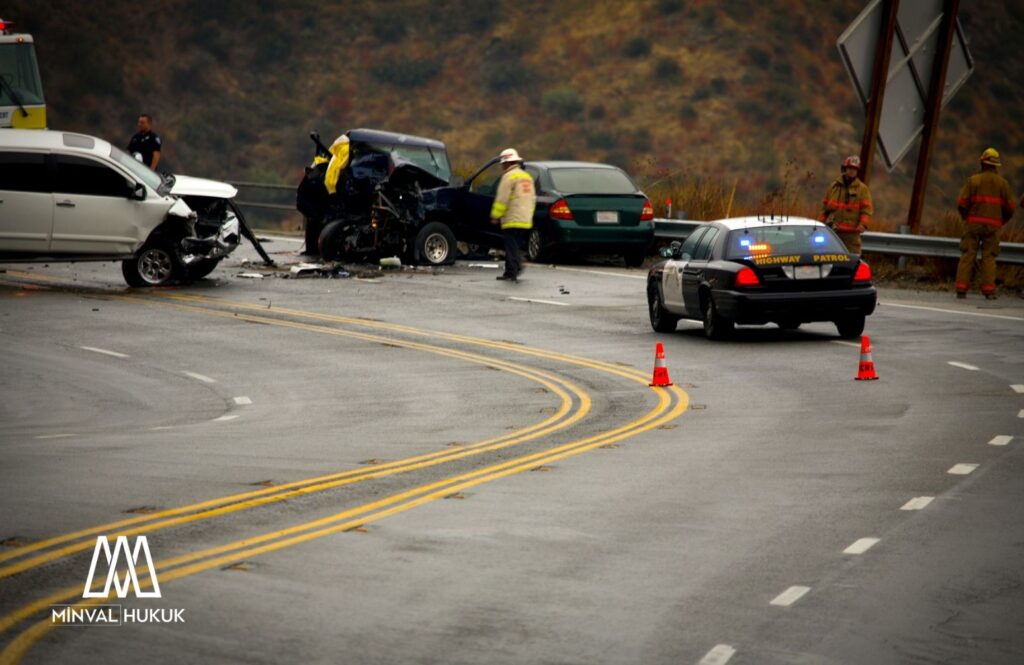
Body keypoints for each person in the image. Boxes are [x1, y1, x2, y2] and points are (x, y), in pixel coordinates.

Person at [955, 148, 1015, 300]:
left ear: (983, 163)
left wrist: (966, 218)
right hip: (993, 227)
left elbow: (961, 203)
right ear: (996, 165)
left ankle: (961, 290)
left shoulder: (973, 181)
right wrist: (1000, 221)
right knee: (989, 257)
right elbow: (1011, 208)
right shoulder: (1003, 184)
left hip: (973, 225)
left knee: (968, 255)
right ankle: (988, 291)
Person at [490, 148, 536, 281]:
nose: (502, 166)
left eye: (503, 164)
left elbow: (502, 199)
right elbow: (532, 198)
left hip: (512, 218)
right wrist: (528, 215)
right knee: (515, 245)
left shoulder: (508, 176)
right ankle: (514, 268)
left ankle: (512, 271)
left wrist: (496, 215)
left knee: (511, 246)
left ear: (507, 163)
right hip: (525, 218)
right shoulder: (527, 177)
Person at [818, 155, 873, 254]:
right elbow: (825, 208)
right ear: (845, 169)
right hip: (833, 231)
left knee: (853, 258)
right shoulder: (834, 187)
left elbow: (867, 209)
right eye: (850, 168)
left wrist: (863, 224)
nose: (852, 171)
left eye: (855, 169)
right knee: (830, 257)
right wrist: (820, 224)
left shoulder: (862, 189)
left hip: (851, 235)